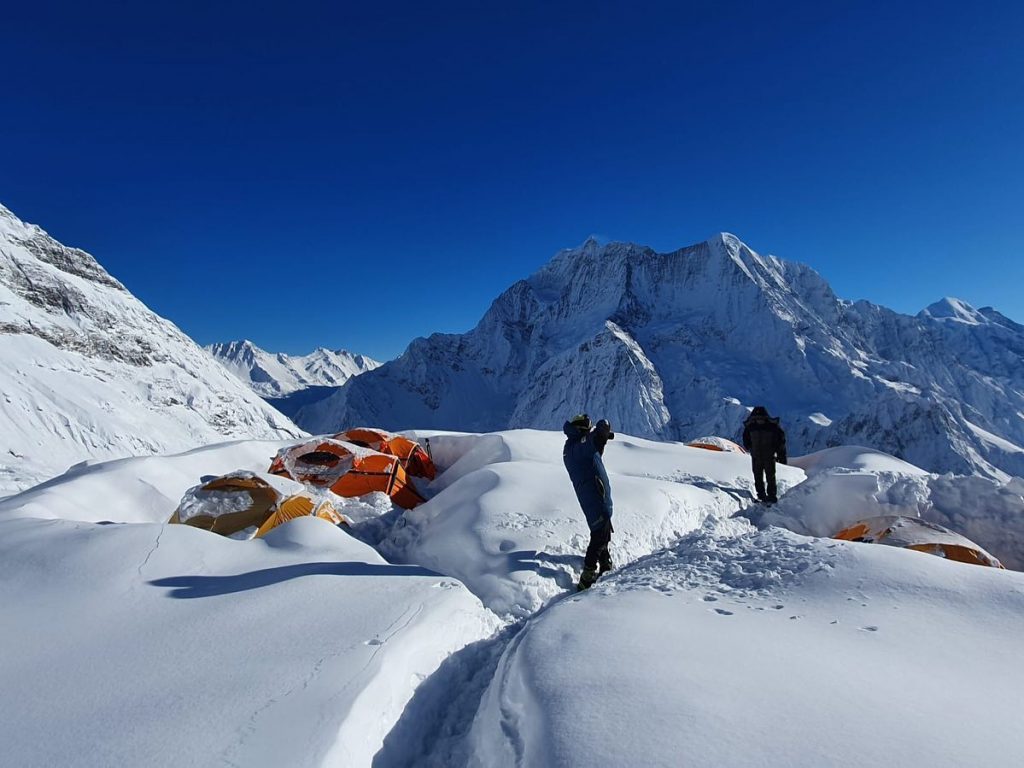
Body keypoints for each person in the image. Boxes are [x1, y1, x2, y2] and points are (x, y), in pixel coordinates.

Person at [562, 413, 615, 591]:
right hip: (594, 497)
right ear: (582, 429)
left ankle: (605, 563)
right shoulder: (577, 447)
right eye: (588, 428)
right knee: (599, 534)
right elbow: (592, 440)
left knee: (602, 530)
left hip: (594, 496)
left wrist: (602, 438)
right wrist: (602, 427)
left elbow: (595, 449)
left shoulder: (574, 447)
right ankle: (588, 574)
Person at [742, 405, 787, 504]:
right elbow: (781, 442)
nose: (759, 420)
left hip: (757, 456)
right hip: (768, 456)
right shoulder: (773, 427)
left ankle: (762, 495)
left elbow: (746, 440)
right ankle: (771, 496)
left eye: (760, 418)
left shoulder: (750, 427)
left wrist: (749, 447)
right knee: (769, 476)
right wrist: (781, 456)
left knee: (759, 476)